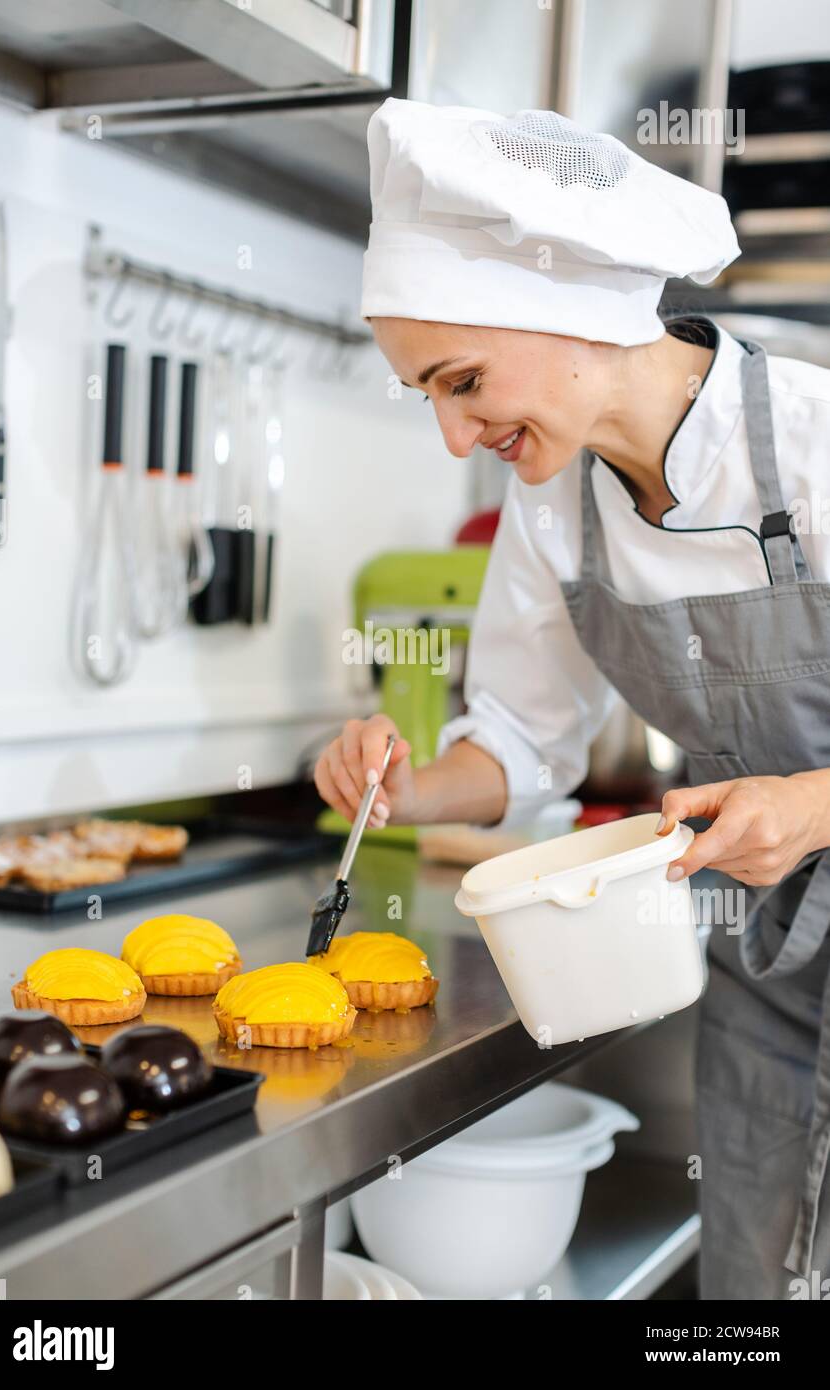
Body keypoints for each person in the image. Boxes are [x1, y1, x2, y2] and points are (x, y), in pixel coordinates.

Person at [314, 99, 830, 1301]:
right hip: (761, 975)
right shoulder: (558, 508)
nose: (455, 435)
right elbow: (520, 743)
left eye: (464, 380)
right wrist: (405, 782)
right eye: (426, 396)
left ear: (572, 315)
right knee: (752, 1296)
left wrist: (810, 807)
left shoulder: (814, 443)